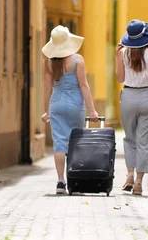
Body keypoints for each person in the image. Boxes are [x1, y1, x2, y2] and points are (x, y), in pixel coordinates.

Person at [42, 25, 100, 194]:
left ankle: (61, 182)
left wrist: (46, 111)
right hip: (75, 105)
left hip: (57, 104)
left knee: (59, 143)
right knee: (75, 142)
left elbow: (48, 90)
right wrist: (92, 110)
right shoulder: (77, 60)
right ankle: (75, 180)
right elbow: (84, 85)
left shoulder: (48, 63)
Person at [116, 19, 148, 195]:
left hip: (128, 96)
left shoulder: (122, 54)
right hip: (147, 97)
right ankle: (139, 182)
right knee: (145, 141)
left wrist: (116, 56)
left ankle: (129, 175)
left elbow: (120, 78)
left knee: (130, 138)